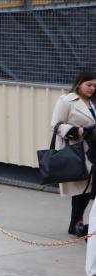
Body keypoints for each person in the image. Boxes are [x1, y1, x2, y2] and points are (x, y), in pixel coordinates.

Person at [51, 71, 96, 237]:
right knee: (82, 189)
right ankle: (76, 224)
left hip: (94, 149)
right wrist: (78, 131)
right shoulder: (67, 100)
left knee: (89, 188)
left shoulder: (93, 102)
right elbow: (56, 125)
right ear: (79, 84)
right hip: (79, 150)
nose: (92, 88)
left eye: (95, 86)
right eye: (89, 85)